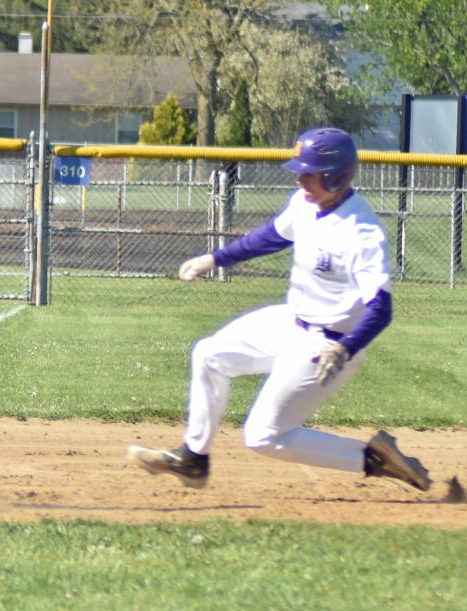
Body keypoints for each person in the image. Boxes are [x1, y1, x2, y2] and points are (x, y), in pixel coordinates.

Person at [128, 127, 431, 492]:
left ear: (336, 175)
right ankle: (194, 460)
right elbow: (270, 236)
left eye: (310, 171)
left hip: (329, 347)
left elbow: (381, 309)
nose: (301, 178)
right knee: (209, 354)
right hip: (291, 322)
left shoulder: (361, 233)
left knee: (262, 435)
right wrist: (213, 258)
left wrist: (346, 349)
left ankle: (372, 458)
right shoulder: (304, 203)